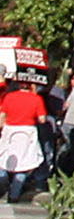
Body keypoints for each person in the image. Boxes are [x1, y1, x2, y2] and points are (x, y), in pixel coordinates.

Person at [1, 69, 47, 202]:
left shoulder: (9, 97)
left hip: (10, 131)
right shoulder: (37, 99)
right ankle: (14, 195)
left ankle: (2, 183)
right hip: (27, 132)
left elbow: (2, 116)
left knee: (4, 160)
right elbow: (42, 119)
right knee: (24, 164)